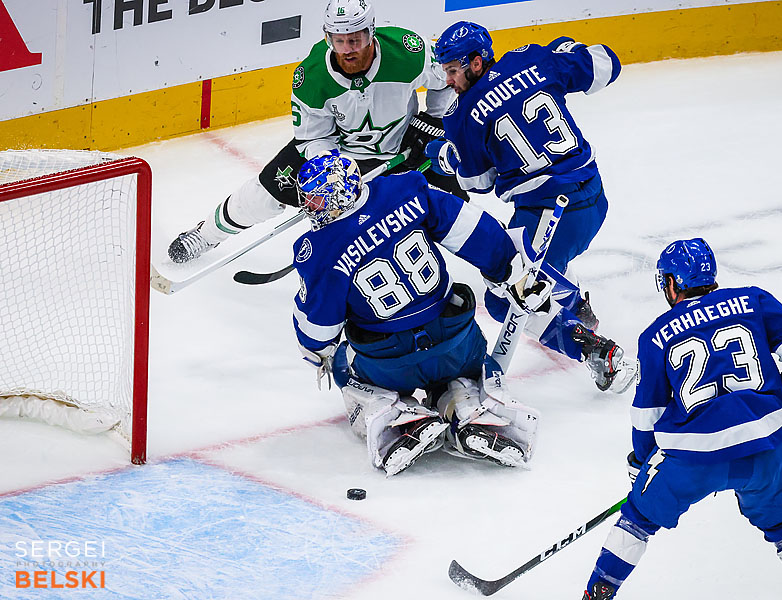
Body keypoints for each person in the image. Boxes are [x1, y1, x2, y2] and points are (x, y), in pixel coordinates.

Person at [581, 238, 782, 600]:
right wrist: (767, 397)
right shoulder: (753, 300)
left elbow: (647, 416)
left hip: (691, 460)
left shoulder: (655, 335)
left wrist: (642, 463)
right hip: (764, 452)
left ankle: (597, 594)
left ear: (672, 283)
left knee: (637, 521)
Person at [290, 150, 547, 476]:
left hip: (388, 366)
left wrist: (317, 353)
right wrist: (513, 273)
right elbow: (475, 231)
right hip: (458, 346)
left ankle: (394, 411)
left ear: (335, 198)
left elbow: (318, 330)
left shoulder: (318, 251)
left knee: (341, 360)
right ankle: (462, 401)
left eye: (313, 200)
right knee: (456, 353)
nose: (308, 207)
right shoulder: (406, 190)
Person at [423, 21, 635, 393]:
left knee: (507, 296)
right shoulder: (532, 59)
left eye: (454, 71)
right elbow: (608, 65)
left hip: (551, 211)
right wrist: (567, 50)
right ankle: (573, 305)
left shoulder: (462, 116)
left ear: (476, 63)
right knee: (525, 270)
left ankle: (599, 353)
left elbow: (480, 183)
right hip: (593, 196)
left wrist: (448, 156)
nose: (449, 81)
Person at [167, 0, 463, 264]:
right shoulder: (311, 77)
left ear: (370, 32)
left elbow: (445, 81)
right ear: (328, 37)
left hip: (406, 149)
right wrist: (332, 171)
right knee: (263, 196)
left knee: (453, 199)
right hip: (340, 154)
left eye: (355, 39)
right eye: (339, 40)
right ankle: (206, 234)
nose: (348, 49)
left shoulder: (408, 51)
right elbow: (313, 137)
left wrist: (433, 122)